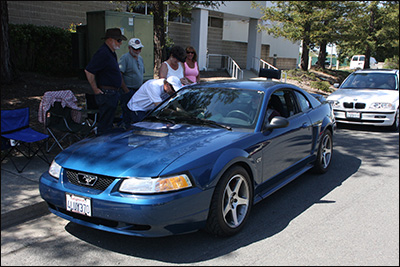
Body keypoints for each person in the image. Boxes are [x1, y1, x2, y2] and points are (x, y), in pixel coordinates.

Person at [84, 28, 127, 135]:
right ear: (110, 40)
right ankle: (102, 145)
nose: (120, 43)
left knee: (109, 123)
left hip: (113, 93)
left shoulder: (111, 53)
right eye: (118, 40)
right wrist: (95, 89)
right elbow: (89, 71)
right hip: (107, 93)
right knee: (105, 125)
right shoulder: (103, 53)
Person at [119, 38, 145, 128]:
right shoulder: (125, 58)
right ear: (130, 48)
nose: (138, 51)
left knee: (137, 113)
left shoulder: (140, 59)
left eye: (139, 48)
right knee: (127, 113)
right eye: (135, 48)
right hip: (128, 90)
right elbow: (120, 74)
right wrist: (125, 90)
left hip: (138, 90)